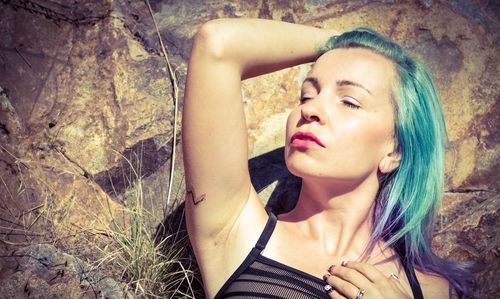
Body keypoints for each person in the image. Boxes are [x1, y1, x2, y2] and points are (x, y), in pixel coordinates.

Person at [182, 18, 472, 298]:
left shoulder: (434, 290)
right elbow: (217, 44)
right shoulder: (234, 231)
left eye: (349, 101)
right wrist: (345, 41)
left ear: (394, 150)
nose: (310, 110)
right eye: (307, 96)